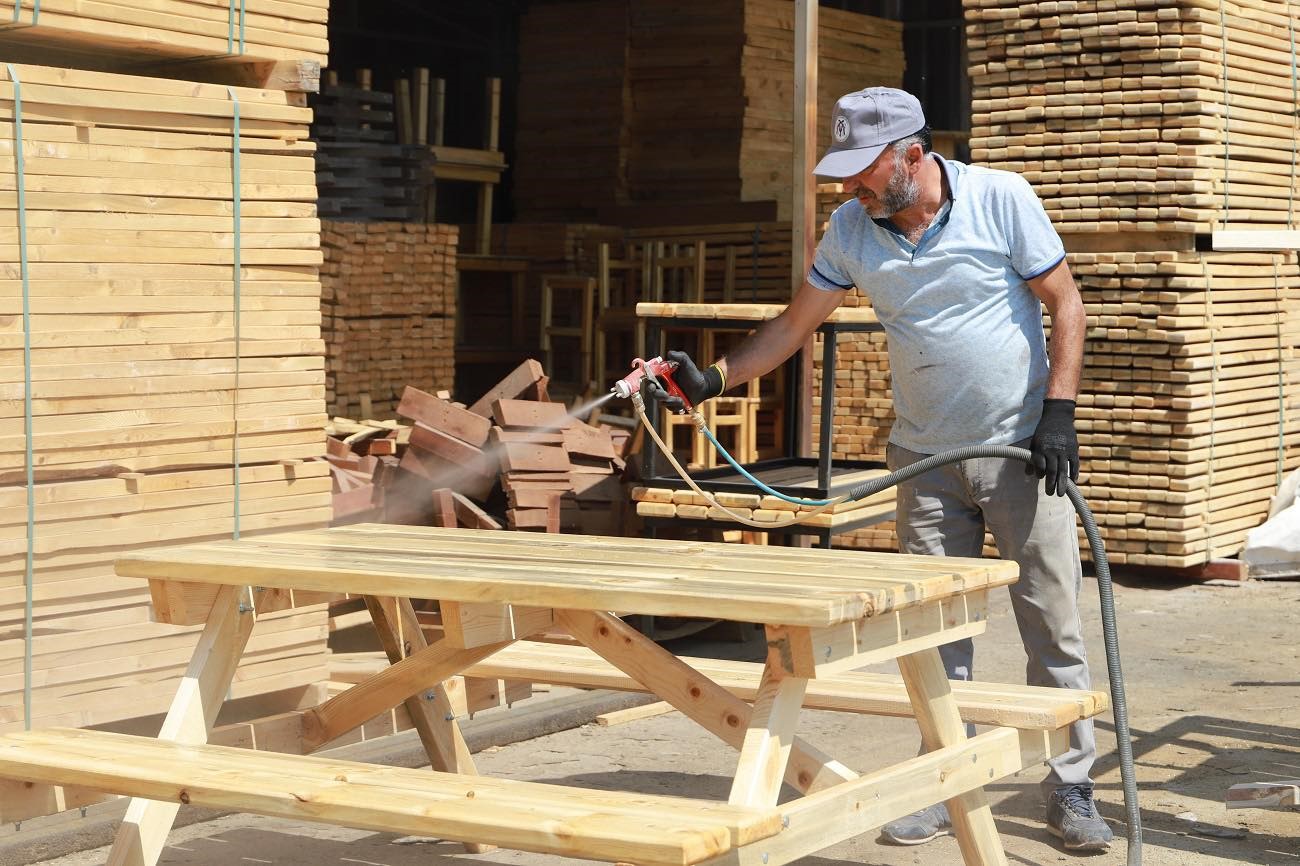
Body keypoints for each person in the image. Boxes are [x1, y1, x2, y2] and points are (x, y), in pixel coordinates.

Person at [645, 87, 1112, 853]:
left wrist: (1058, 412)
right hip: (924, 462)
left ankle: (1070, 784)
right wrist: (715, 379)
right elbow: (795, 325)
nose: (849, 189)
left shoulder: (1001, 200)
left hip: (1020, 452)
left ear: (912, 156)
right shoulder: (851, 229)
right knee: (932, 637)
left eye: (862, 172)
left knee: (1050, 622)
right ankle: (944, 778)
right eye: (844, 173)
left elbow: (1066, 304)